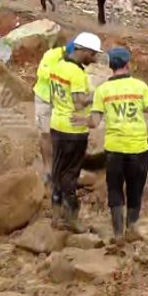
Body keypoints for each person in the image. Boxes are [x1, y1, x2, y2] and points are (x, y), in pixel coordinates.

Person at [87, 47, 148, 244]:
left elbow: (94, 122)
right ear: (127, 64)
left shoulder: (102, 90)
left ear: (110, 66)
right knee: (135, 189)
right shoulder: (140, 87)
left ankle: (117, 234)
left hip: (114, 149)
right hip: (138, 148)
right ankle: (131, 228)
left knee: (114, 189)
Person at [49, 32, 102, 232]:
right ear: (84, 51)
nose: (94, 58)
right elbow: (79, 101)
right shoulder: (77, 74)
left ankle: (56, 215)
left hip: (57, 125)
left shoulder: (58, 67)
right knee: (71, 174)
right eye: (93, 54)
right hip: (74, 130)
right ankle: (72, 219)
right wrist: (96, 95)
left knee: (57, 171)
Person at [33, 40, 72, 186]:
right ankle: (47, 169)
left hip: (61, 102)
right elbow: (42, 73)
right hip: (44, 98)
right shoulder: (51, 55)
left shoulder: (77, 63)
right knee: (45, 133)